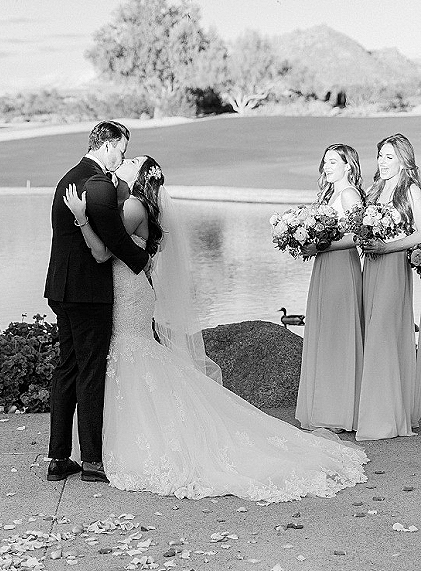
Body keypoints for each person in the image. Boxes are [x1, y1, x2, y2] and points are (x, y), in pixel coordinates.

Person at [64, 155, 368, 502]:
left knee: (129, 354)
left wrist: (81, 218)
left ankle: (122, 444)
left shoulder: (133, 206)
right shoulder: (138, 205)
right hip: (131, 291)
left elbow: (103, 251)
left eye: (132, 160)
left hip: (128, 295)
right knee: (132, 356)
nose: (126, 160)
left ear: (140, 176)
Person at [44, 121, 150, 483]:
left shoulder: (69, 178)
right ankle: (91, 461)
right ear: (107, 145)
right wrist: (143, 261)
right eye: (121, 149)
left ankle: (58, 458)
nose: (122, 156)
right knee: (90, 372)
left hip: (61, 289)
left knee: (67, 368)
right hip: (88, 293)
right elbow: (114, 240)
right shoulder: (97, 183)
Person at [356, 133, 421, 441]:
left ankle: (386, 419)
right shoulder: (376, 189)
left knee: (384, 333)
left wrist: (387, 247)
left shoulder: (411, 190)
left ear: (403, 160)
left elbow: (420, 233)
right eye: (380, 155)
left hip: (393, 266)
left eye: (389, 157)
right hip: (371, 265)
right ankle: (374, 410)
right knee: (372, 332)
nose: (382, 162)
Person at [296, 144, 365, 433]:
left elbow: (359, 236)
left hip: (341, 267)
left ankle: (340, 412)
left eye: (333, 162)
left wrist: (321, 246)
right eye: (325, 162)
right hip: (325, 266)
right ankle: (324, 406)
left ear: (348, 166)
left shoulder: (349, 194)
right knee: (325, 332)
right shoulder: (329, 194)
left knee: (338, 334)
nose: (327, 166)